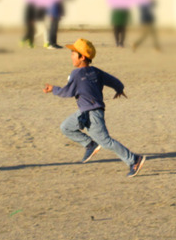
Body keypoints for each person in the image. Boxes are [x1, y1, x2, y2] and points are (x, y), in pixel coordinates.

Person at [43, 38, 147, 177]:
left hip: (93, 113)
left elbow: (67, 92)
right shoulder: (96, 71)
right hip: (85, 111)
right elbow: (115, 81)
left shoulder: (76, 74)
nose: (71, 55)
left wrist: (53, 89)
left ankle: (134, 159)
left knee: (106, 141)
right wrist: (119, 89)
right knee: (66, 127)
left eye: (74, 53)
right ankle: (90, 144)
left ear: (82, 57)